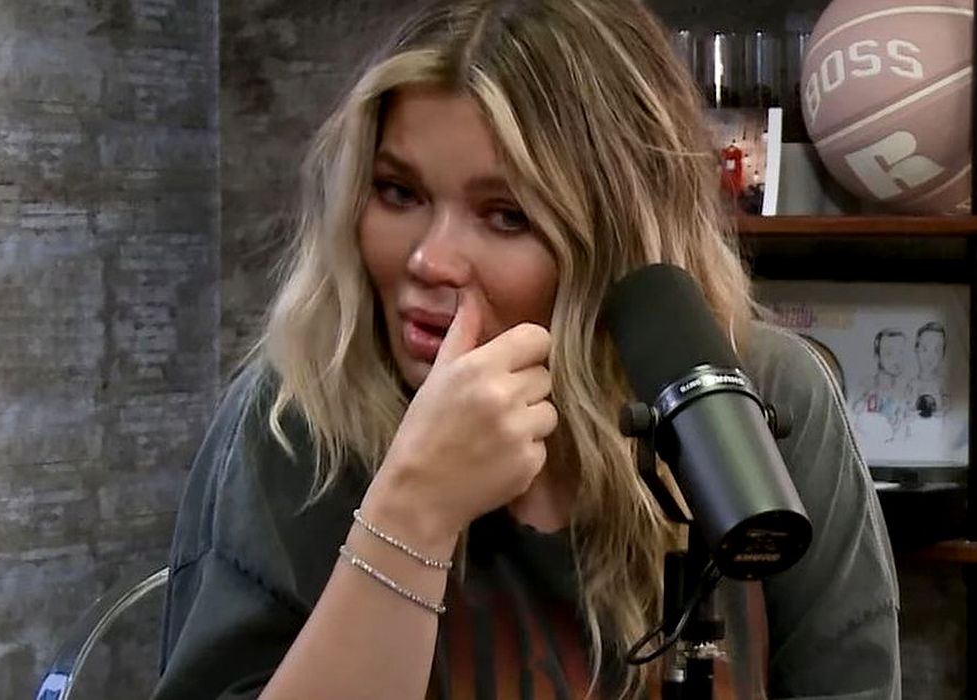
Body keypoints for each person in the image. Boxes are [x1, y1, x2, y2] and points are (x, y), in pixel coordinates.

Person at [153, 1, 900, 698]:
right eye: (399, 193)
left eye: (506, 216)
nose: (429, 260)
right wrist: (413, 512)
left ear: (614, 237)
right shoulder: (296, 413)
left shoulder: (761, 394)